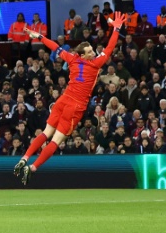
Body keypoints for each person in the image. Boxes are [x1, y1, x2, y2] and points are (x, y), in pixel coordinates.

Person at [14, 13, 126, 184]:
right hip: (75, 106)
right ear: (84, 55)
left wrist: (39, 36)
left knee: (46, 133)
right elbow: (110, 48)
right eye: (89, 52)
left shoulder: (72, 59)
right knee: (56, 140)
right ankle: (32, 167)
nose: (93, 53)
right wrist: (116, 28)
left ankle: (24, 158)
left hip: (63, 100)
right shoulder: (95, 64)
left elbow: (54, 47)